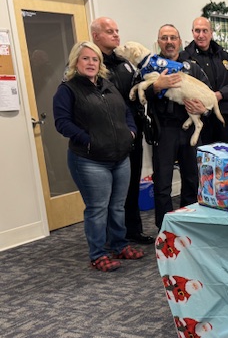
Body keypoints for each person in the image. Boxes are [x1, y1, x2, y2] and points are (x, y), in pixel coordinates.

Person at [53, 41, 144, 272]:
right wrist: (90, 140)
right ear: (76, 61)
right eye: (86, 58)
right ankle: (98, 254)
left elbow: (126, 113)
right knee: (97, 208)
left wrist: (130, 133)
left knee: (117, 207)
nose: (91, 63)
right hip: (90, 160)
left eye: (95, 59)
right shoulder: (68, 89)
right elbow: (62, 123)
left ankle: (120, 245)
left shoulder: (108, 85)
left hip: (120, 157)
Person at [90, 16, 154, 245]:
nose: (116, 35)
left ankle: (132, 230)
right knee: (109, 192)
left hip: (132, 132)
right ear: (96, 36)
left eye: (117, 30)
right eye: (110, 31)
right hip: (107, 136)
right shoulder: (91, 63)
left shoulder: (124, 62)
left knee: (131, 184)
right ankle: (110, 238)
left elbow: (136, 94)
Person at [144, 24, 212, 229]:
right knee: (163, 182)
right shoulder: (150, 67)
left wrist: (204, 109)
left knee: (192, 178)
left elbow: (208, 95)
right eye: (164, 38)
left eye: (173, 38)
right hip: (164, 129)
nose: (169, 42)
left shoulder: (192, 67)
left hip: (189, 129)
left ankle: (189, 223)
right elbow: (139, 96)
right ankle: (165, 228)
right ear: (158, 42)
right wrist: (156, 86)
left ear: (180, 41)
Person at [181, 16, 228, 144]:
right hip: (198, 119)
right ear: (192, 32)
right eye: (197, 31)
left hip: (223, 118)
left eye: (205, 31)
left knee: (226, 160)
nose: (201, 35)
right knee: (201, 160)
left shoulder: (224, 56)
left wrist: (219, 95)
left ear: (211, 33)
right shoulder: (184, 58)